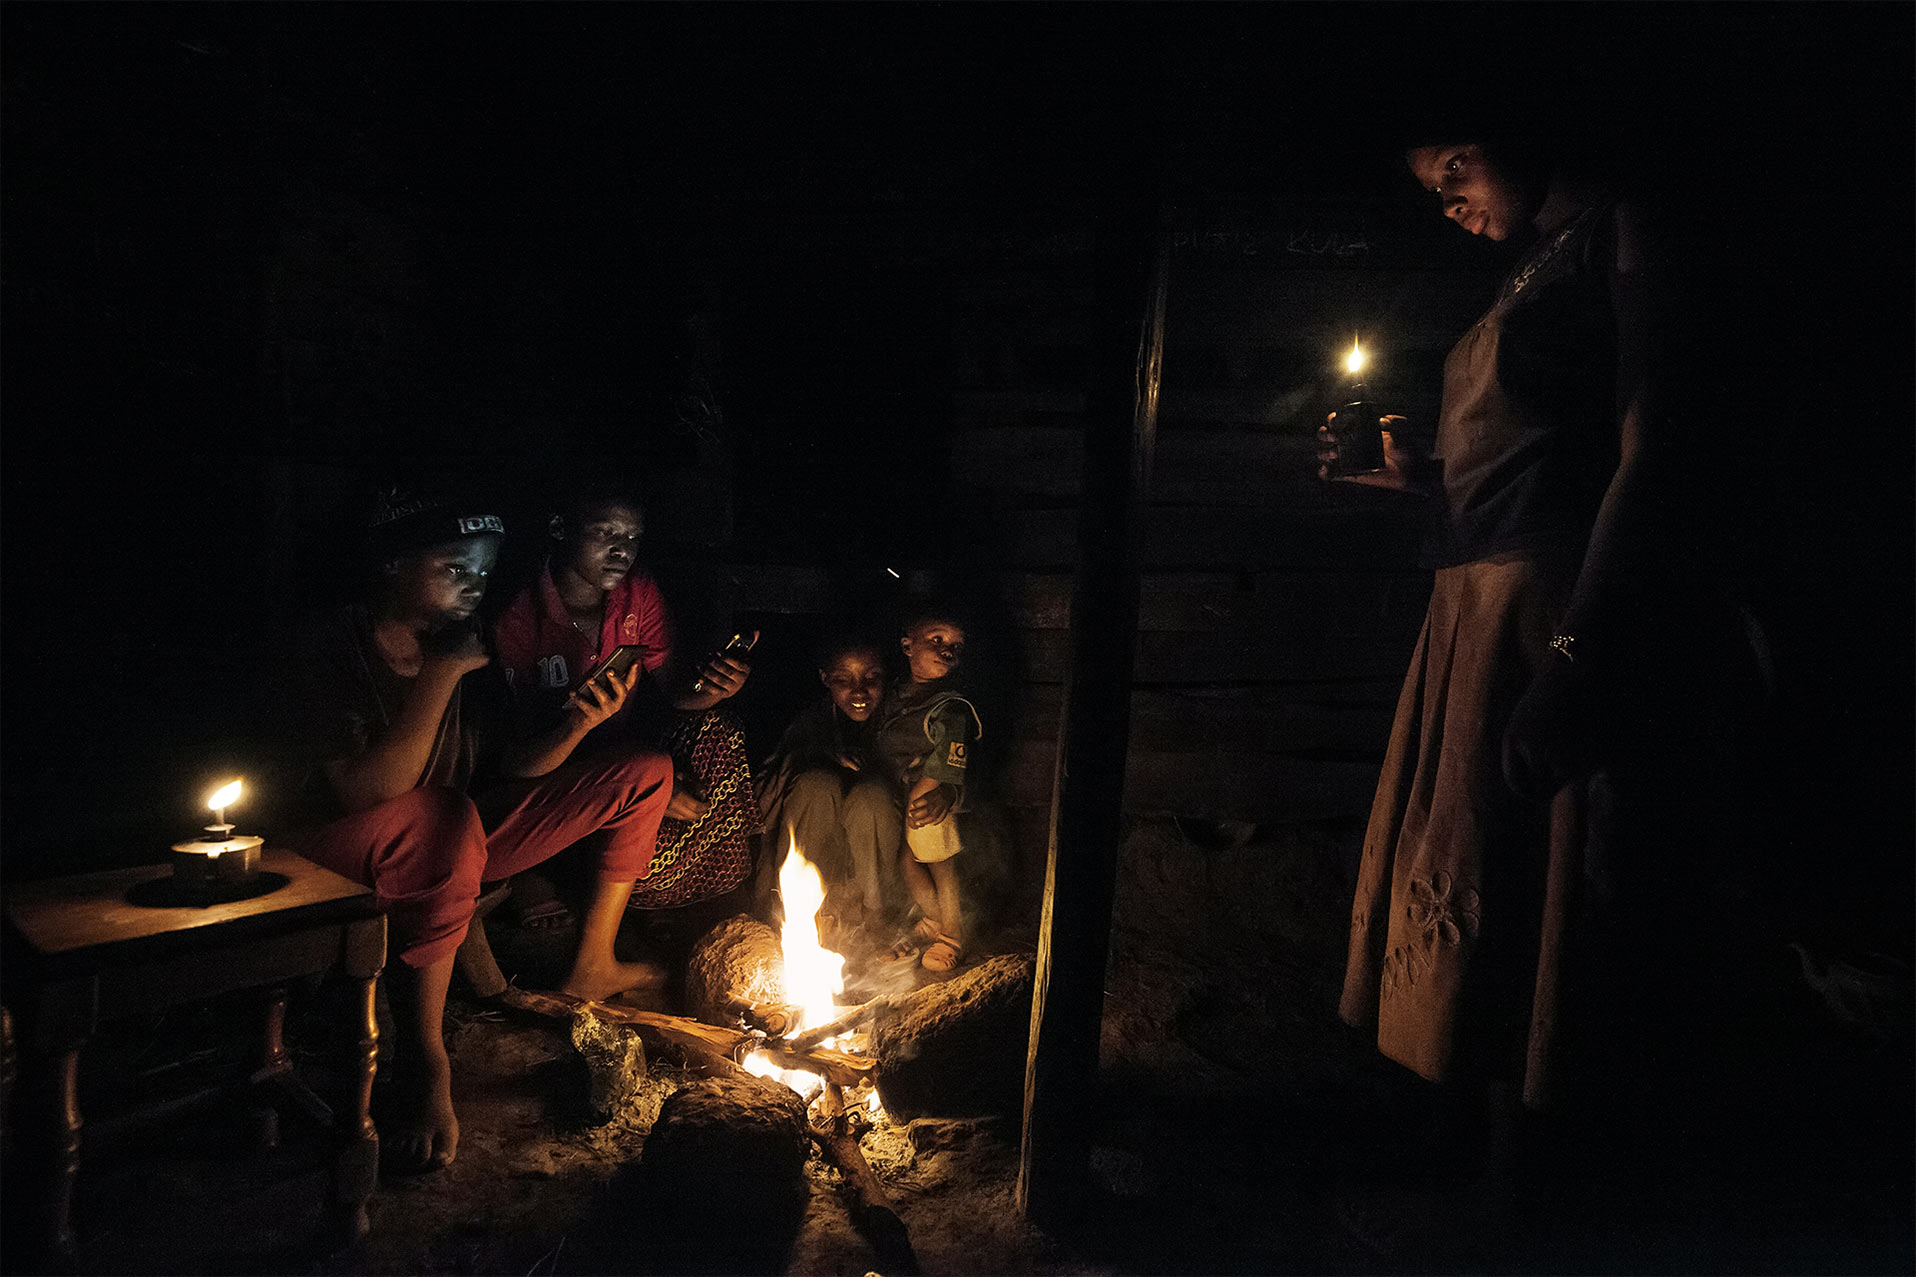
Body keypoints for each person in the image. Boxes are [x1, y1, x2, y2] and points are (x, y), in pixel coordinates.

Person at [1324, 125, 1725, 1256]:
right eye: (1429, 191)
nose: (1446, 202)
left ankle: (1517, 1212)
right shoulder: (1524, 264)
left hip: (1542, 602)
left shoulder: (1624, 228)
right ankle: (1468, 1170)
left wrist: (1576, 651)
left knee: (1533, 893)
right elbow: (1526, 451)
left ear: (1527, 122)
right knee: (1471, 872)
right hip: (1471, 597)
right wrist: (1417, 478)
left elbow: (1651, 448)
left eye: (1455, 167)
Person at [284, 490, 677, 1173]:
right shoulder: (334, 643)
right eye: (454, 564)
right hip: (332, 859)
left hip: (454, 840)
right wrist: (439, 676)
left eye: (483, 567)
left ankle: (594, 962)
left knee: (644, 771)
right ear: (394, 565)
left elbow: (516, 766)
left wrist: (578, 723)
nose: (475, 580)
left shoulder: (470, 643)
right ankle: (425, 1055)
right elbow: (368, 794)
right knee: (445, 814)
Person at [491, 487, 759, 915]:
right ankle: (535, 875)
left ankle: (726, 890)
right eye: (605, 532)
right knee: (648, 779)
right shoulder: (517, 615)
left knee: (719, 729)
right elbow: (511, 766)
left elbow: (677, 690)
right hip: (540, 784)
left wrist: (720, 686)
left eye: (633, 538)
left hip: (620, 766)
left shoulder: (636, 593)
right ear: (561, 528)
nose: (622, 550)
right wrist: (598, 750)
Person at [755, 633, 902, 947]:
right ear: (825, 678)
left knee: (870, 798)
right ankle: (808, 916)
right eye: (844, 679)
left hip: (874, 876)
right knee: (815, 785)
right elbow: (767, 797)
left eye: (871, 677)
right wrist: (823, 756)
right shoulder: (810, 724)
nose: (859, 690)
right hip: (822, 874)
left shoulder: (901, 720)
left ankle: (875, 917)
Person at [874, 605, 981, 973]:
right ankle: (936, 921)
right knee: (907, 863)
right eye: (937, 640)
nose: (948, 649)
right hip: (898, 794)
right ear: (907, 645)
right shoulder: (892, 695)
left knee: (936, 857)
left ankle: (953, 933)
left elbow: (948, 759)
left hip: (931, 797)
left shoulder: (949, 707)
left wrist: (939, 794)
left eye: (956, 645)